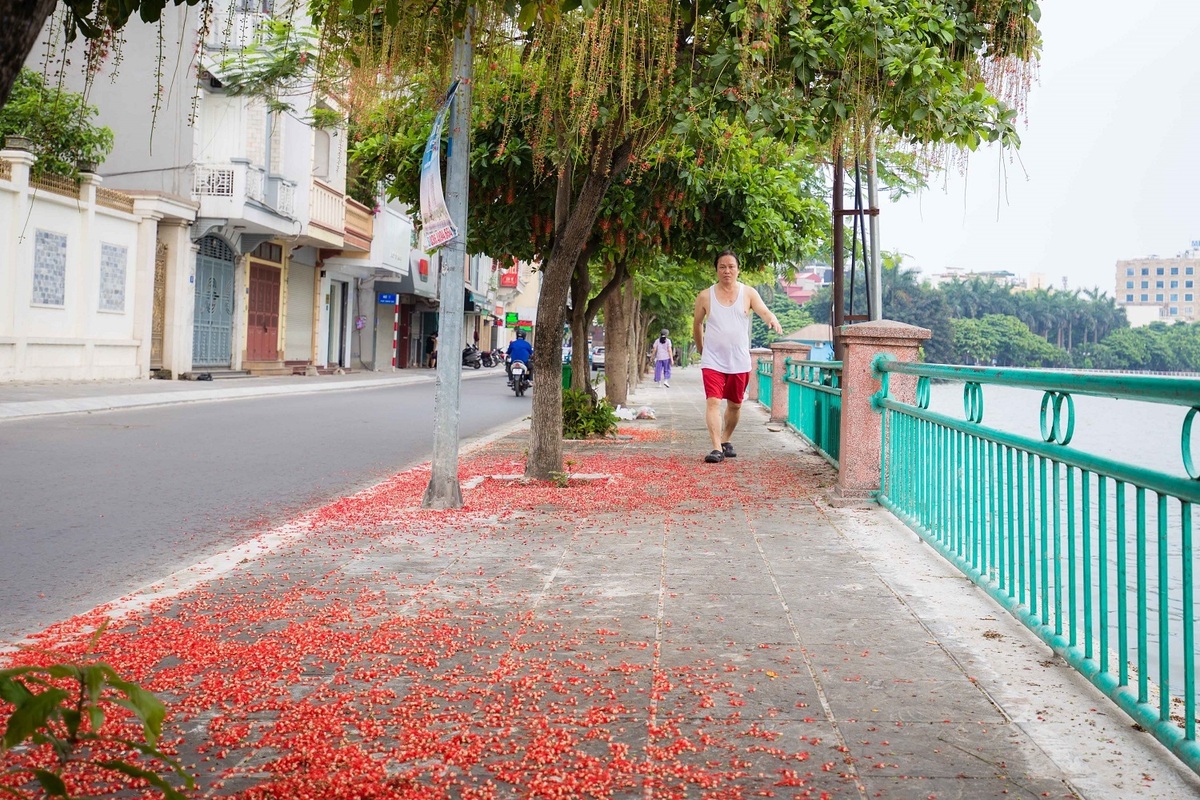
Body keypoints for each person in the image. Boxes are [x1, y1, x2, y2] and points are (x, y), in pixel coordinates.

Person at [692, 249, 781, 463]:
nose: (727, 271)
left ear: (738, 269)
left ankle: (725, 439)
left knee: (735, 405)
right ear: (716, 270)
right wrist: (702, 348)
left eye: (731, 266)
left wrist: (772, 319)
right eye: (722, 267)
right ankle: (715, 448)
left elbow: (763, 310)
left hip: (739, 360)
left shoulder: (748, 293)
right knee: (713, 402)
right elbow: (697, 325)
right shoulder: (705, 295)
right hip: (713, 359)